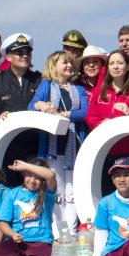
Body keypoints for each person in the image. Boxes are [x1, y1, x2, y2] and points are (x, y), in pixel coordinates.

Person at [29, 50, 88, 235]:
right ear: (54, 66)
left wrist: (64, 114)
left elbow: (84, 113)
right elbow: (32, 105)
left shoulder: (78, 89)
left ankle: (70, 233)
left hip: (73, 145)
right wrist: (41, 105)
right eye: (65, 63)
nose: (69, 66)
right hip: (52, 146)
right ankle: (56, 233)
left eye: (71, 63)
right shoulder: (46, 85)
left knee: (71, 192)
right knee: (56, 190)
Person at [85, 48, 129, 195]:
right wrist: (100, 124)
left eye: (119, 63)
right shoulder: (99, 92)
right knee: (106, 193)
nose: (115, 66)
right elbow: (90, 116)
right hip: (104, 152)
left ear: (127, 66)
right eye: (111, 63)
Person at [0, 33, 43, 180]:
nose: (25, 56)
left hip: (34, 142)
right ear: (8, 57)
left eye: (28, 52)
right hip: (7, 143)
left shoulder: (39, 80)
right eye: (19, 52)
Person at [0, 158, 57, 256]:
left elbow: (51, 175)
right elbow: (3, 223)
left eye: (37, 178)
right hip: (16, 241)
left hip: (40, 241)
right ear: (24, 176)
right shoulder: (12, 194)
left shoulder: (47, 192)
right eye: (29, 176)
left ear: (42, 181)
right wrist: (12, 234)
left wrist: (25, 166)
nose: (32, 181)